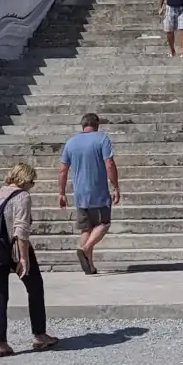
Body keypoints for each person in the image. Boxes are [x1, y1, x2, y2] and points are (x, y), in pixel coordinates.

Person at [0, 162, 59, 357]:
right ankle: (39, 335)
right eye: (32, 182)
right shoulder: (22, 197)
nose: (32, 185)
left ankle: (0, 343)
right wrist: (23, 257)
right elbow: (21, 230)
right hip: (14, 249)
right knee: (35, 287)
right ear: (26, 179)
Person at [59, 114, 119, 274]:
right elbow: (109, 164)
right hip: (98, 192)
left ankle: (90, 267)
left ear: (82, 125)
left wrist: (61, 193)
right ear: (96, 124)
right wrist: (116, 187)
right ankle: (85, 248)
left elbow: (63, 170)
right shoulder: (102, 139)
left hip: (80, 194)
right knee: (104, 224)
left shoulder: (71, 142)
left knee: (86, 229)